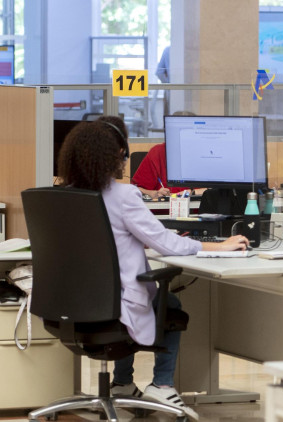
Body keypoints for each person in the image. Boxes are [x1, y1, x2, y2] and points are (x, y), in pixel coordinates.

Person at [57, 116, 249, 421]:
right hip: (115, 304)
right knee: (168, 302)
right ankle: (161, 384)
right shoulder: (123, 196)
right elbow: (167, 245)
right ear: (115, 156)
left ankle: (122, 383)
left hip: (72, 303)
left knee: (131, 297)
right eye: (123, 156)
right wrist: (221, 246)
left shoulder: (64, 196)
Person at [132, 111, 203, 199]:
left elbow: (218, 187)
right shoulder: (157, 153)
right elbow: (135, 189)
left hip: (198, 210)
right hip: (164, 209)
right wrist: (153, 193)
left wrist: (191, 192)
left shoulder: (204, 153)